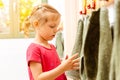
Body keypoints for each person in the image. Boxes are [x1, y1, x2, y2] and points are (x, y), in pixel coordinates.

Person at [24, 3, 80, 80]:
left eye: (57, 26)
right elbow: (38, 78)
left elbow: (52, 69)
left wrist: (64, 65)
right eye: (52, 26)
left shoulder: (52, 47)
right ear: (36, 24)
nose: (56, 30)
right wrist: (62, 68)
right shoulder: (34, 49)